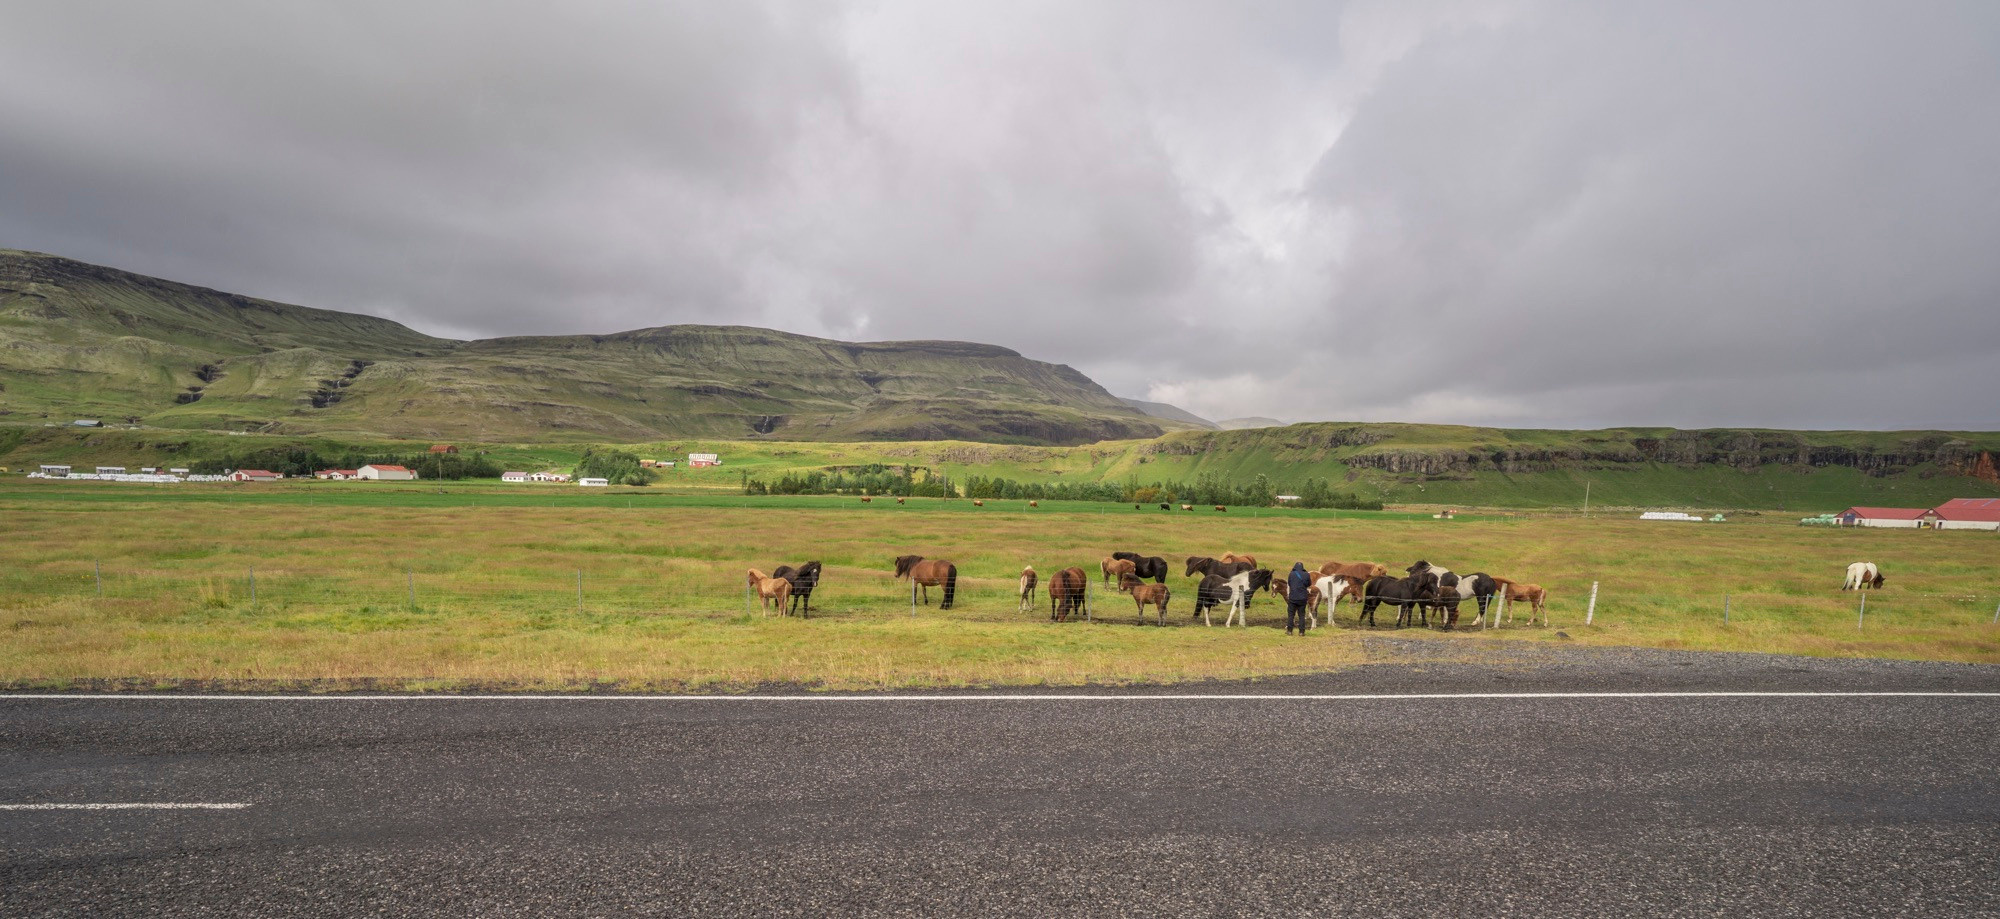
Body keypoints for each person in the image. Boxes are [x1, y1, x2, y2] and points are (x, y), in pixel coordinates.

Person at [1285, 561, 1312, 635]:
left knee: (1291, 615)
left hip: (1293, 597)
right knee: (1301, 615)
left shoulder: (1291, 574)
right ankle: (1301, 632)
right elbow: (1309, 584)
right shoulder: (1307, 574)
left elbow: (1289, 584)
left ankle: (1289, 631)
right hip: (1303, 598)